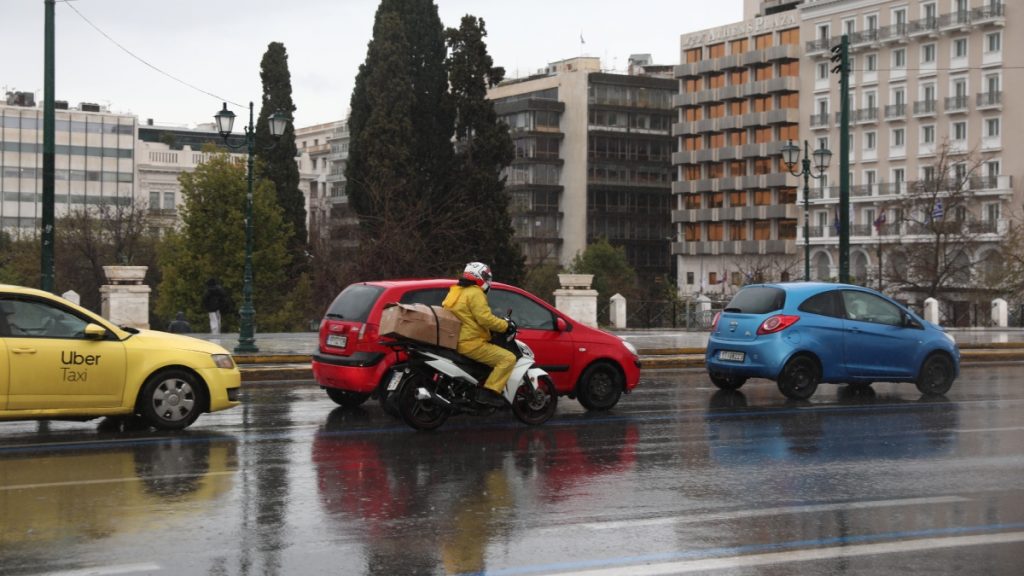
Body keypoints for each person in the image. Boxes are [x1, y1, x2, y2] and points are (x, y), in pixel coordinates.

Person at [442, 262, 515, 408]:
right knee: (508, 358)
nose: (488, 281)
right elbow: (485, 318)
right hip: (471, 343)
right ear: (479, 276)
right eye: (486, 277)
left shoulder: (456, 291)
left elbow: (470, 317)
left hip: (455, 340)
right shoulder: (475, 293)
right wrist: (505, 326)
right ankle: (488, 393)